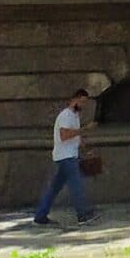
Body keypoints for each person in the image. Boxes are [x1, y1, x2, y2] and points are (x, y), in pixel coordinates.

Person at [32, 89, 95, 226]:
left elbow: (76, 136)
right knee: (76, 184)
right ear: (75, 99)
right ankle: (82, 215)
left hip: (69, 155)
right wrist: (85, 129)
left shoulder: (75, 116)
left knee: (55, 187)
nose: (83, 105)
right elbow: (64, 136)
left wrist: (86, 149)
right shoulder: (65, 115)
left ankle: (40, 216)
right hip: (66, 156)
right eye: (82, 102)